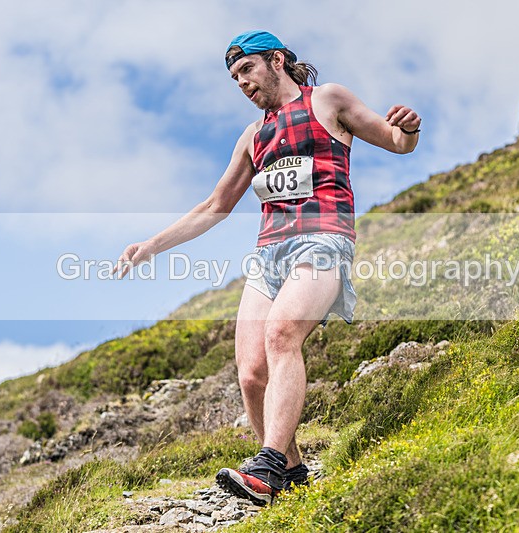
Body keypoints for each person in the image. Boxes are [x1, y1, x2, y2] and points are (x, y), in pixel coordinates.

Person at [113, 30, 420, 506]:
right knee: (252, 372)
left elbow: (397, 142)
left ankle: (268, 462)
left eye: (247, 70)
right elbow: (216, 204)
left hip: (323, 242)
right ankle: (294, 476)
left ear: (276, 60)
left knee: (281, 335)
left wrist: (408, 127)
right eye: (234, 77)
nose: (240, 83)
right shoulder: (253, 136)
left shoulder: (329, 101)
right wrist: (152, 245)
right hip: (269, 256)